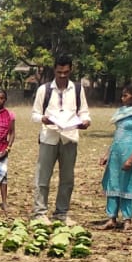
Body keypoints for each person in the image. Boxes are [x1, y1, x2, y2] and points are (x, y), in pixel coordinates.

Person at [31, 56, 92, 221]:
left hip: (69, 138)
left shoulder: (78, 89)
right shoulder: (44, 90)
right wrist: (43, 119)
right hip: (49, 137)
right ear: (54, 70)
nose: (63, 75)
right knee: (42, 177)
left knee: (67, 178)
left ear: (71, 70)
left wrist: (86, 121)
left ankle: (61, 213)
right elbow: (35, 114)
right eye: (59, 72)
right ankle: (40, 213)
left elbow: (84, 112)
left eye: (66, 72)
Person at [99, 84, 132, 230]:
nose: (122, 98)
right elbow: (117, 136)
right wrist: (107, 154)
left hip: (130, 151)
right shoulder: (120, 112)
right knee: (112, 183)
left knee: (128, 184)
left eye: (126, 95)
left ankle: (127, 220)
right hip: (116, 153)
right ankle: (111, 218)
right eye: (122, 95)